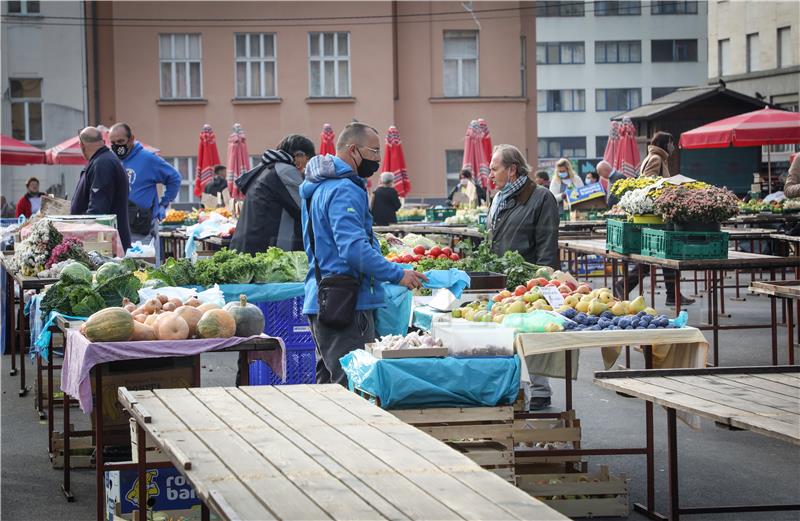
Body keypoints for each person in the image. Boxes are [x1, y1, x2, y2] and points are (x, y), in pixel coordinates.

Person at [300, 122, 428, 385]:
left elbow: (330, 237)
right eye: (374, 151)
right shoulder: (344, 189)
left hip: (322, 297)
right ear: (353, 150)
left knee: (330, 385)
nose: (379, 159)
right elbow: (353, 249)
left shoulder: (319, 187)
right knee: (353, 386)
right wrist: (397, 274)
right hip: (347, 302)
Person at [487, 144, 559, 410]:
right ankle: (517, 389)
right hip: (503, 280)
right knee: (509, 337)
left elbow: (547, 243)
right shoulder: (498, 198)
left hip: (530, 280)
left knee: (534, 333)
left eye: (495, 169)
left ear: (512, 169)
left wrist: (542, 281)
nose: (491, 174)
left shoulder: (541, 198)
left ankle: (541, 390)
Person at [615, 132, 695, 306]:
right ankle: (669, 294)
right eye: (671, 143)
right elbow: (647, 183)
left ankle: (626, 285)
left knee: (655, 257)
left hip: (655, 215)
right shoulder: (656, 159)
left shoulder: (656, 157)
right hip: (656, 216)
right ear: (665, 143)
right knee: (664, 254)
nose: (673, 146)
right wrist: (668, 188)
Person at [230, 134, 316, 253]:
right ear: (298, 156)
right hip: (264, 249)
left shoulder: (266, 168)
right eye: (309, 160)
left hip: (249, 245)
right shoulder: (285, 171)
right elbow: (305, 208)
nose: (308, 167)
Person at [109, 123, 180, 254]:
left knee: (142, 268)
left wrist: (164, 203)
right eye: (113, 142)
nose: (117, 146)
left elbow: (174, 178)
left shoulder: (148, 159)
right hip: (118, 226)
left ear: (131, 139)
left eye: (121, 141)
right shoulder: (113, 160)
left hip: (141, 228)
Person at [70, 127, 132, 251]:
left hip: (107, 246)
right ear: (102, 141)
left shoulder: (102, 164)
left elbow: (97, 213)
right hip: (108, 242)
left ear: (81, 145)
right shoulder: (103, 160)